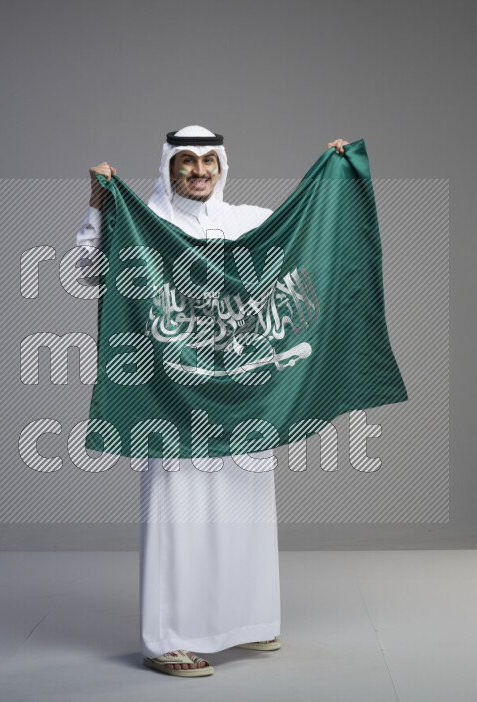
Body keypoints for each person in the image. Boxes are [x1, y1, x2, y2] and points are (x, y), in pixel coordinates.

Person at [75, 126, 349, 677]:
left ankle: (245, 623)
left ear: (222, 165)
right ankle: (166, 639)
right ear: (168, 166)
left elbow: (309, 240)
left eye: (208, 161)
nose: (199, 171)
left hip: (245, 400)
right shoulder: (145, 224)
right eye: (187, 162)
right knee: (180, 517)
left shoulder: (248, 221)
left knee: (244, 510)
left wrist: (333, 177)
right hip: (170, 398)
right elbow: (88, 273)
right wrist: (101, 206)